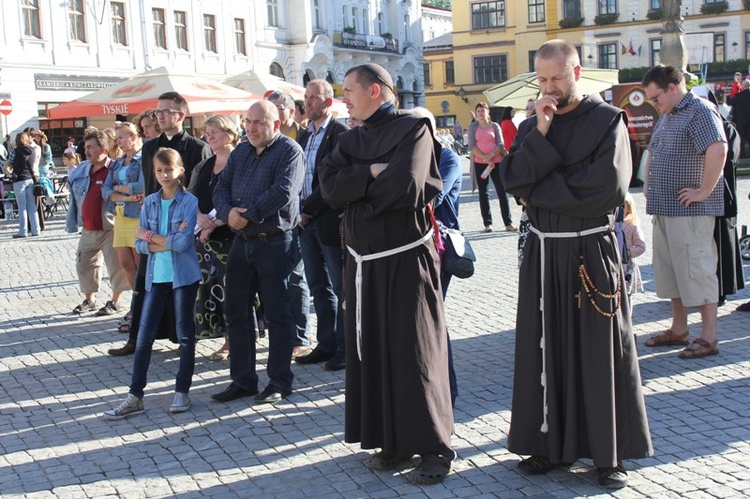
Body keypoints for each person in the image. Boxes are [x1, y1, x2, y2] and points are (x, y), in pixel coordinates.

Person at [498, 39, 652, 488]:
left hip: (590, 252)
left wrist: (537, 187)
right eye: (541, 79)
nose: (548, 88)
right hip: (544, 253)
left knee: (597, 349)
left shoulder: (608, 121)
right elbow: (510, 180)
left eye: (556, 78)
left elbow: (604, 190)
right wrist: (541, 137)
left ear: (577, 73)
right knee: (545, 346)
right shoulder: (531, 127)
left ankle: (608, 455)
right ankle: (548, 447)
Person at [318, 63, 454, 485]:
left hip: (405, 260)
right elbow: (328, 186)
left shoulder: (412, 130)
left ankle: (435, 447)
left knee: (415, 352)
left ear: (375, 90)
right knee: (374, 350)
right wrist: (372, 173)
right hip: (363, 262)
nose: (345, 98)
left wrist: (357, 185)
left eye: (350, 90)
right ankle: (392, 441)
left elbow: (408, 186)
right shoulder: (350, 137)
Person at [210, 100, 304, 405]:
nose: (251, 127)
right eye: (248, 121)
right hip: (243, 242)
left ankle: (279, 381)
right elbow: (220, 188)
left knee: (277, 314)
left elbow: (284, 191)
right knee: (236, 312)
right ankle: (243, 380)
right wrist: (227, 213)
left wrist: (245, 214)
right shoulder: (240, 152)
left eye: (259, 122)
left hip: (275, 242)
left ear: (275, 125)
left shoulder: (290, 151)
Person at [108, 92, 210, 356]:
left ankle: (186, 339)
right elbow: (149, 187)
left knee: (182, 284)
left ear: (180, 115)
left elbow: (202, 189)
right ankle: (137, 338)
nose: (160, 116)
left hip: (183, 226)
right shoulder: (151, 148)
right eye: (157, 112)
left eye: (165, 111)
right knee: (145, 283)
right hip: (154, 224)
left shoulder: (197, 148)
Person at [103, 147, 201, 420]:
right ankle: (135, 396)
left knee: (185, 336)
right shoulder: (150, 202)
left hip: (183, 278)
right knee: (143, 338)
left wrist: (150, 236)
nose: (163, 175)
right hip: (156, 277)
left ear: (180, 170)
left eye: (169, 169)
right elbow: (139, 245)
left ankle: (182, 391)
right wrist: (161, 239)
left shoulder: (189, 201)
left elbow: (182, 244)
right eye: (159, 170)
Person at [642, 64, 728, 359]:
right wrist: (649, 183)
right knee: (673, 274)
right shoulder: (668, 115)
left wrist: (703, 192)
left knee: (698, 271)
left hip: (690, 212)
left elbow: (718, 149)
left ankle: (709, 337)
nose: (654, 103)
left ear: (673, 88)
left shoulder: (699, 110)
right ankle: (679, 330)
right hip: (666, 209)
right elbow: (653, 151)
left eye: (656, 97)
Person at [293, 79, 349, 372]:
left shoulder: (340, 134)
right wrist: (298, 212)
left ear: (328, 101)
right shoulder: (305, 135)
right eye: (306, 97)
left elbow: (333, 182)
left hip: (326, 219)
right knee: (318, 287)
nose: (308, 102)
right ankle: (325, 344)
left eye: (313, 97)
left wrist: (307, 211)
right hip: (304, 223)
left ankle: (344, 348)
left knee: (341, 288)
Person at [412, 106, 462, 406]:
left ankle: (448, 389)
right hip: (416, 247)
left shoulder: (447, 157)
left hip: (441, 248)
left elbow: (433, 196)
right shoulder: (411, 156)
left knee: (434, 316)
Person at [186, 115, 239, 361]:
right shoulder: (204, 165)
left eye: (215, 131)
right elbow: (190, 196)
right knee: (209, 289)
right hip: (205, 239)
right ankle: (214, 333)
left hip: (231, 235)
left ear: (229, 132)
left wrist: (214, 223)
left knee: (232, 290)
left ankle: (233, 341)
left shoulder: (240, 160)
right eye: (206, 132)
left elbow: (241, 197)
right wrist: (198, 218)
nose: (210, 136)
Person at [267, 90, 311, 358]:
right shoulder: (264, 140)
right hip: (275, 221)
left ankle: (300, 336)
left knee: (297, 278)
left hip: (303, 217)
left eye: (277, 107)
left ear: (289, 111)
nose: (272, 111)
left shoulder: (303, 136)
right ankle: (281, 333)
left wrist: (307, 211)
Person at [67, 130, 129, 316]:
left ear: (103, 148)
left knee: (116, 266)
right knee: (84, 264)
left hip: (110, 227)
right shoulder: (81, 170)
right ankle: (90, 299)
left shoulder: (115, 169)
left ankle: (115, 301)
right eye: (85, 147)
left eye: (90, 147)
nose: (86, 151)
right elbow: (73, 196)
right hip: (88, 228)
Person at [101, 122, 144, 316]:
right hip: (120, 215)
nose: (117, 141)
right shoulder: (117, 162)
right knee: (125, 263)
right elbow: (106, 190)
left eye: (120, 137)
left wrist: (119, 190)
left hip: (137, 216)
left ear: (133, 137)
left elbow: (141, 186)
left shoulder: (143, 160)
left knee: (139, 262)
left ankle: (142, 303)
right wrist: (125, 194)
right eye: (117, 137)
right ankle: (136, 300)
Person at [468, 102, 516, 232]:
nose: (480, 113)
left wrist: (491, 156)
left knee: (502, 192)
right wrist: (484, 157)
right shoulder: (473, 127)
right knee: (483, 193)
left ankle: (508, 223)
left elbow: (500, 144)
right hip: (480, 163)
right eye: (478, 111)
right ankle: (487, 224)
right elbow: (472, 145)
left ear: (488, 111)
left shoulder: (495, 126)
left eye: (483, 110)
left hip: (496, 162)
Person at [10, 132, 41, 238]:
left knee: (22, 206)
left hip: (19, 179)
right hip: (30, 179)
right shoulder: (30, 150)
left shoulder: (15, 151)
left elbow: (10, 163)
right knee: (32, 206)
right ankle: (36, 229)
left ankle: (23, 231)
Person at [620, 192, 646, 309]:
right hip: (616, 264)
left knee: (627, 294)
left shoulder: (632, 227)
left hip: (627, 266)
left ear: (628, 208)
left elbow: (641, 246)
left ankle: (627, 318)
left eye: (622, 207)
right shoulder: (612, 225)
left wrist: (627, 252)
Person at [730, 79, 750, 158]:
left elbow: (733, 109)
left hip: (740, 121)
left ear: (742, 86)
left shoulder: (737, 97)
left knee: (741, 138)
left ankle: (742, 155)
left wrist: (734, 120)